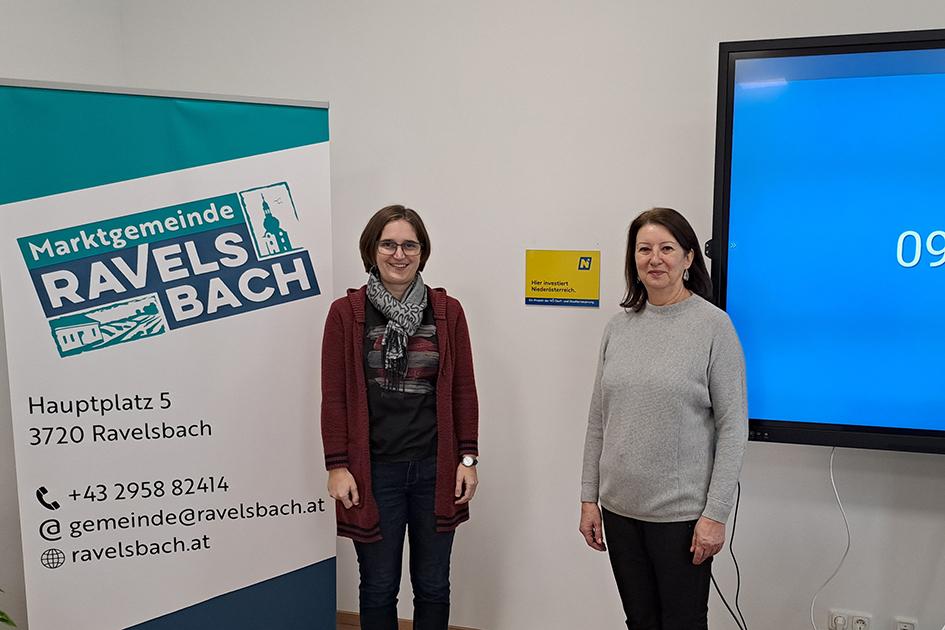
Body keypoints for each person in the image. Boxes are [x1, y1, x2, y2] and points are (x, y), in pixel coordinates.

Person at [579, 207, 748, 630]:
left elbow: (733, 428)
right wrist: (588, 498)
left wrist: (715, 515)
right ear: (633, 259)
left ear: (688, 258)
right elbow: (599, 419)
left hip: (682, 519)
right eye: (644, 249)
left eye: (667, 248)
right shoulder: (618, 328)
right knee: (639, 621)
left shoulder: (714, 327)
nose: (655, 259)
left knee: (683, 623)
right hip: (619, 511)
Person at [321, 204, 479, 630]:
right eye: (388, 244)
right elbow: (334, 397)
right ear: (371, 250)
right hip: (373, 473)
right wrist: (337, 466)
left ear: (422, 252)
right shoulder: (346, 313)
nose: (399, 254)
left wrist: (467, 459)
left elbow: (463, 389)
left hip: (435, 470)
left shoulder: (447, 311)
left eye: (410, 245)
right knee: (378, 586)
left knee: (433, 585)